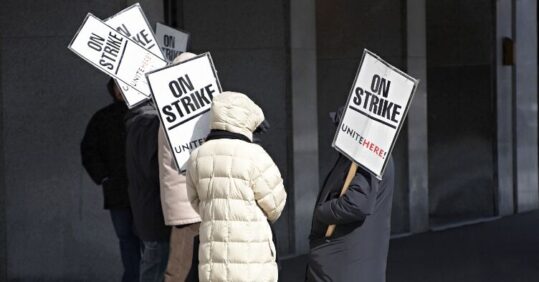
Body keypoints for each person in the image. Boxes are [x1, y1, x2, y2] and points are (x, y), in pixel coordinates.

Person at [186, 92, 287, 282]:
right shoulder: (255, 155)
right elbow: (275, 205)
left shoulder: (197, 156)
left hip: (212, 255)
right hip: (251, 255)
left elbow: (194, 201)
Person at [306, 108, 395, 282]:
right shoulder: (366, 155)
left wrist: (321, 212)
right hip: (348, 260)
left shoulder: (369, 156)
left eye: (340, 127)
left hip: (345, 262)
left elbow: (356, 204)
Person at [81, 79, 141, 282]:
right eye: (117, 86)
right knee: (126, 238)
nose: (121, 90)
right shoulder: (103, 118)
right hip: (117, 190)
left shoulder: (146, 116)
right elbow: (89, 150)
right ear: (112, 89)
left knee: (148, 240)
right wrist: (104, 177)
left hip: (144, 190)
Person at [158, 52, 202, 282]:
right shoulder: (184, 118)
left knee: (180, 268)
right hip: (189, 204)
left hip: (183, 203)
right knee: (182, 270)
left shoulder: (169, 113)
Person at [125, 101, 171, 282]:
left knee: (155, 264)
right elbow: (153, 170)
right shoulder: (148, 124)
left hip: (149, 209)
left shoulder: (140, 123)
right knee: (156, 267)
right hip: (156, 211)